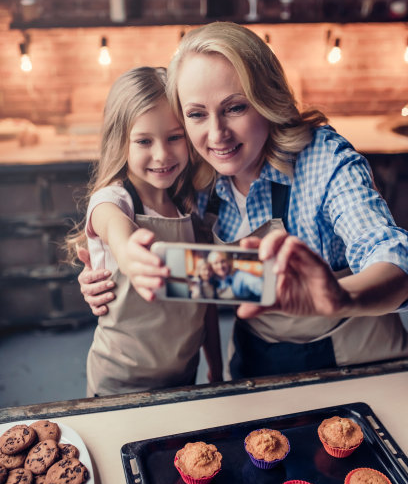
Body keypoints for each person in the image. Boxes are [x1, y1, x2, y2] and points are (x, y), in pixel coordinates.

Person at [77, 22, 408, 379]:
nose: (217, 135)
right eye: (197, 114)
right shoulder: (192, 173)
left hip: (360, 359)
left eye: (235, 108)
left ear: (267, 99)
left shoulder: (324, 160)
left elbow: (390, 257)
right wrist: (110, 270)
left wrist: (342, 298)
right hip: (258, 353)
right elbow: (177, 260)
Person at [66, 66, 223, 396]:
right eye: (143, 141)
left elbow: (205, 302)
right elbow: (108, 220)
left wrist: (216, 364)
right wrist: (125, 251)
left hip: (185, 373)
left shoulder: (191, 210)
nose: (162, 154)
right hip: (119, 380)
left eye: (174, 137)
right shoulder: (116, 199)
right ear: (120, 143)